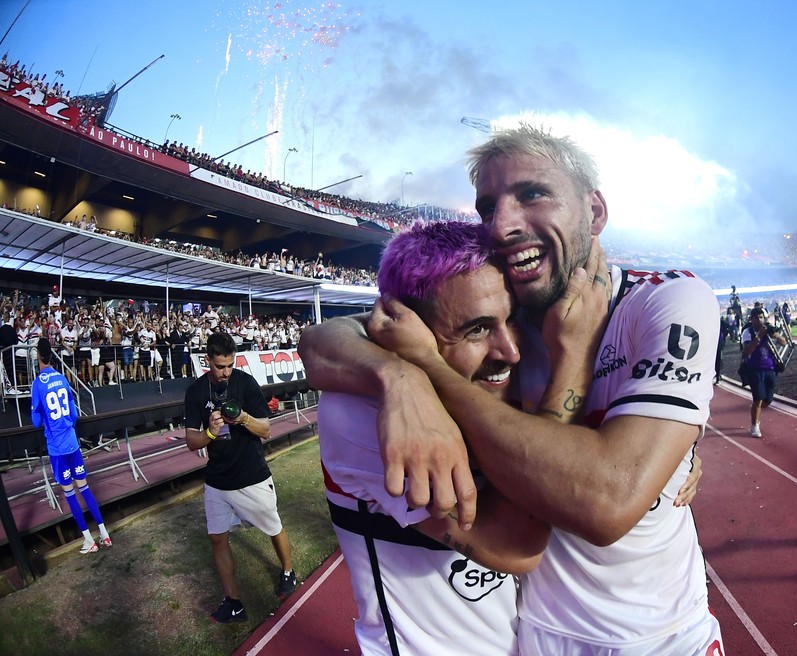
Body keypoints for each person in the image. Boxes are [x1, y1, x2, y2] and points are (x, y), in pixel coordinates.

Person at [301, 124, 723, 654]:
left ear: (594, 211)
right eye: (487, 207)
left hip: (664, 638)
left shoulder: (665, 301)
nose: (501, 225)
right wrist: (399, 377)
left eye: (533, 193)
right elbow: (328, 336)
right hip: (539, 636)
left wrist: (676, 445)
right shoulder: (508, 313)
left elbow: (610, 500)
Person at [319, 220, 598, 654]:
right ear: (408, 330)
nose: (511, 351)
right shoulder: (368, 415)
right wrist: (574, 361)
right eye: (477, 329)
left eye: (510, 318)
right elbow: (515, 544)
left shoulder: (492, 382)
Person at [184, 332, 297, 623]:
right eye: (220, 366)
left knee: (273, 527)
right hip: (217, 480)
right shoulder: (196, 391)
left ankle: (288, 572)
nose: (225, 372)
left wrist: (243, 418)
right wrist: (210, 432)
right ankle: (233, 602)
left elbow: (266, 430)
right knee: (217, 539)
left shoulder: (245, 383)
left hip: (252, 476)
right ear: (207, 360)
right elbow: (192, 442)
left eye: (230, 365)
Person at [31, 338, 112, 554]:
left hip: (57, 448)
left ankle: (88, 540)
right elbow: (74, 414)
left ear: (38, 356)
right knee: (84, 488)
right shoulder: (62, 378)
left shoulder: (38, 384)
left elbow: (36, 421)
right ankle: (104, 533)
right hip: (72, 442)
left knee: (69, 493)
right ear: (51, 355)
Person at [740, 307, 787, 438]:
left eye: (761, 317)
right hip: (755, 370)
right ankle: (755, 425)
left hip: (770, 369)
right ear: (751, 319)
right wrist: (759, 336)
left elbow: (784, 342)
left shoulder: (768, 330)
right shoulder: (747, 332)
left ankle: (756, 409)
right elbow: (747, 351)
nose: (759, 320)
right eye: (756, 318)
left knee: (768, 399)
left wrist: (776, 335)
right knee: (758, 399)